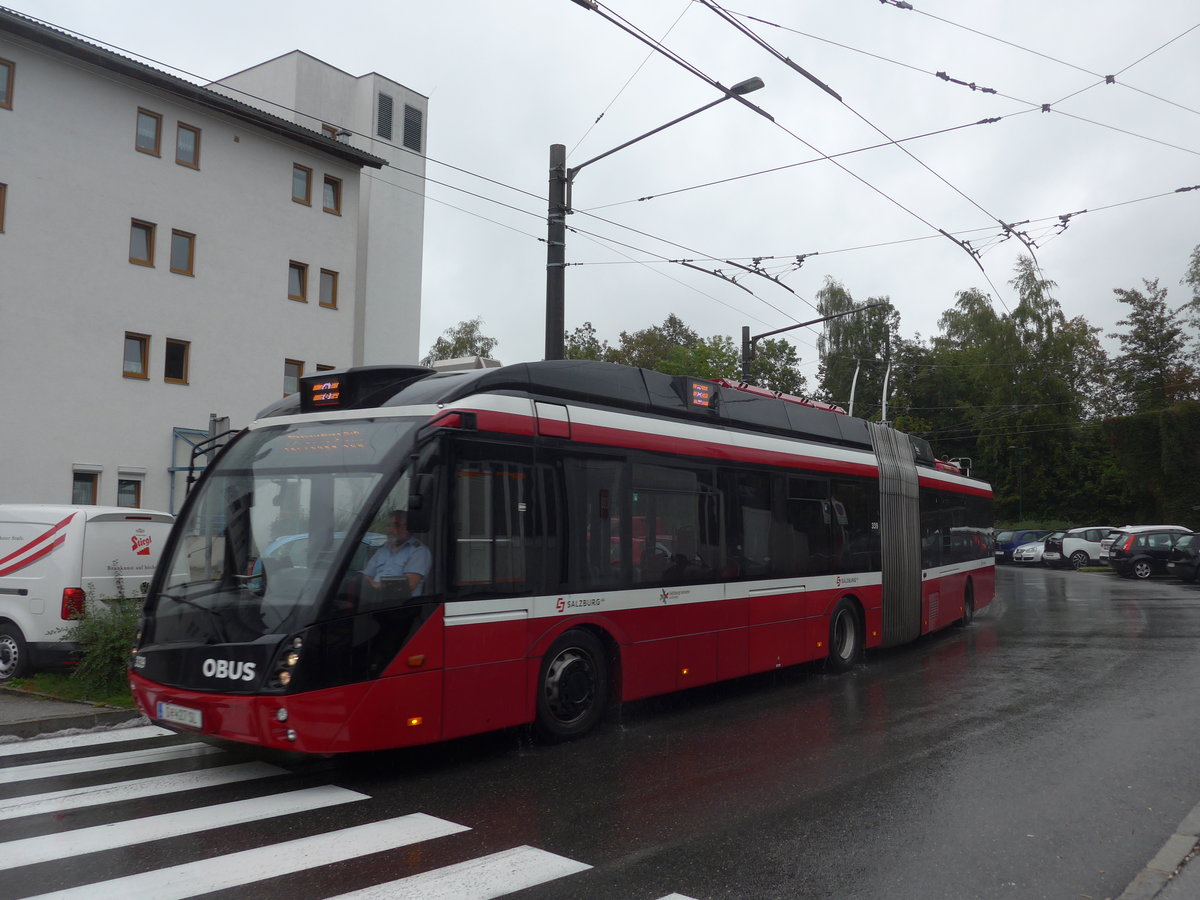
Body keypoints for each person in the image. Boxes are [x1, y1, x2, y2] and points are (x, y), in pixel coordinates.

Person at [363, 510, 431, 597]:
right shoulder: (382, 550)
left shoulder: (419, 551)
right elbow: (366, 577)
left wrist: (375, 585)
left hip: (400, 605)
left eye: (396, 525)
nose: (390, 530)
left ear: (408, 528)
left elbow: (408, 585)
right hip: (374, 601)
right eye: (388, 526)